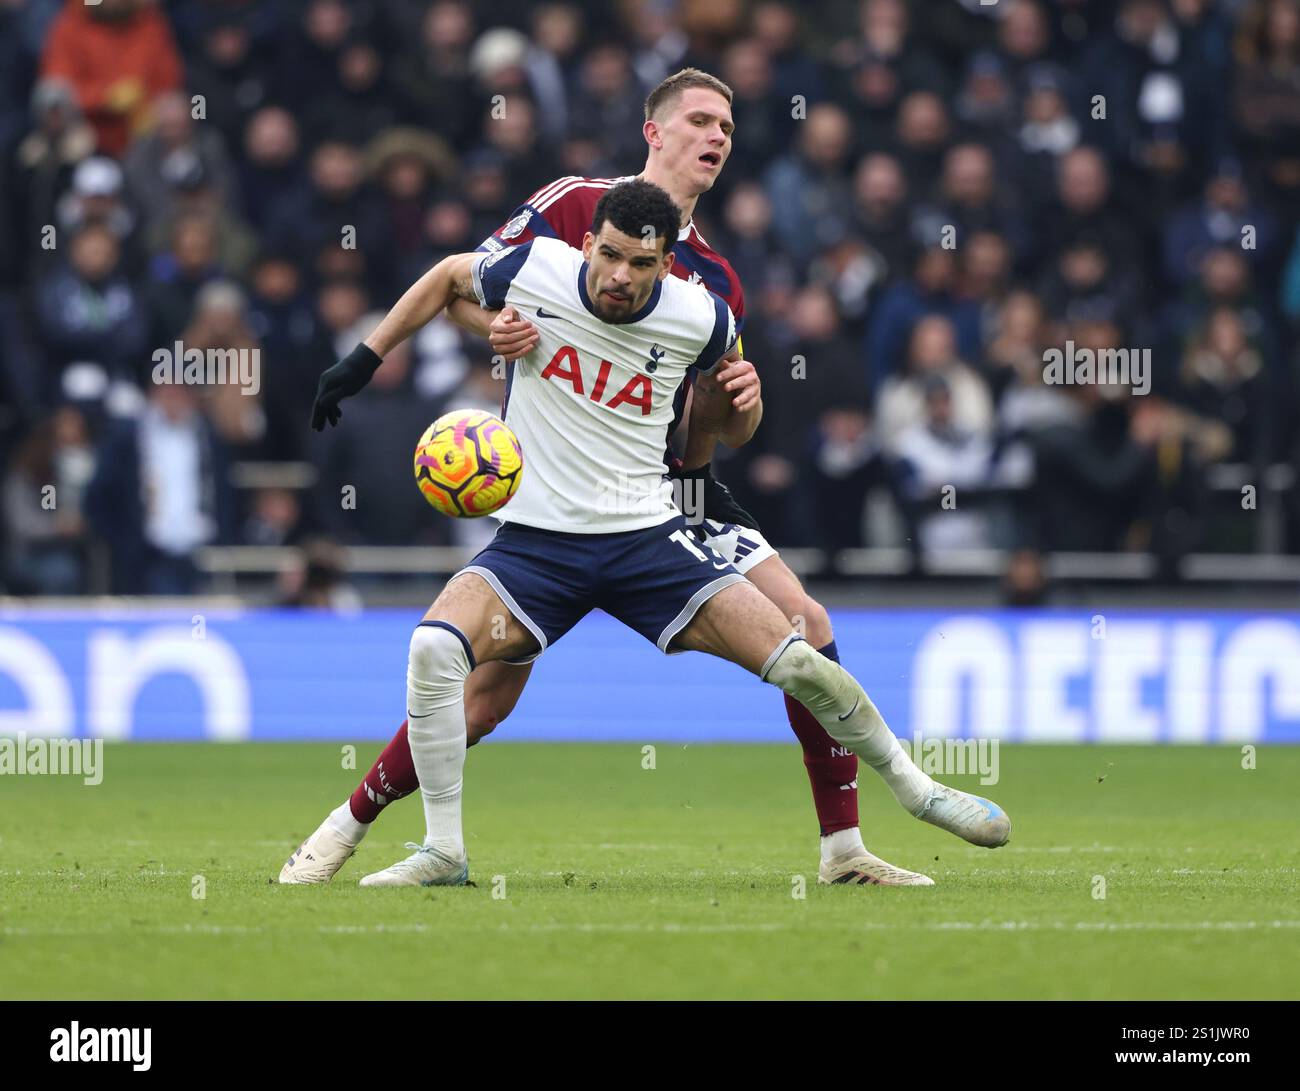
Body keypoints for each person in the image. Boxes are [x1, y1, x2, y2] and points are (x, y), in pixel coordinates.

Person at [284, 69, 936, 888]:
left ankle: (844, 849)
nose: (717, 138)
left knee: (804, 617)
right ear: (653, 132)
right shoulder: (570, 205)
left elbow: (710, 429)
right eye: (700, 120)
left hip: (671, 492)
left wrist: (741, 405)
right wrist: (500, 331)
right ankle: (354, 825)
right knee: (481, 701)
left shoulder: (717, 283)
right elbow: (465, 292)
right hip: (559, 491)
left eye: (728, 128)